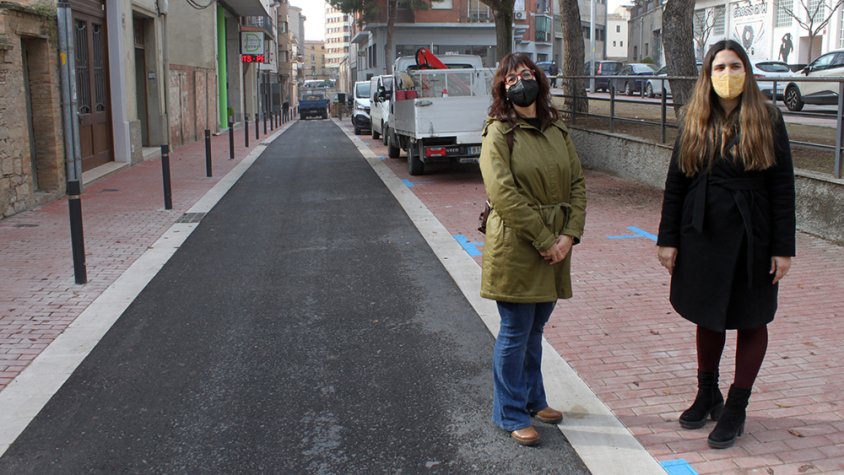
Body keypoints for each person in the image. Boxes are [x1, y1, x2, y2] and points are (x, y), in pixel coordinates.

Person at [657, 40, 796, 450]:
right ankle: (707, 392)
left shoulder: (767, 118)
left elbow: (783, 187)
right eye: (719, 67)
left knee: (752, 317)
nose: (728, 74)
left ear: (747, 71)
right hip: (702, 233)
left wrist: (783, 248)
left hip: (755, 233)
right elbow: (676, 181)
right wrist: (668, 239)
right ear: (707, 74)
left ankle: (736, 405)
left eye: (735, 66)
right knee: (708, 314)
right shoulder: (694, 117)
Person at [479, 53, 587, 446]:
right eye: (510, 79)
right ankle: (508, 411)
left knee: (535, 329)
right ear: (502, 91)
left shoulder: (557, 131)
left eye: (525, 74)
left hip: (556, 246)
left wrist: (569, 236)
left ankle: (533, 398)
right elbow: (502, 194)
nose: (519, 81)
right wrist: (546, 240)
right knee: (514, 330)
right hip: (518, 246)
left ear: (539, 81)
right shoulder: (498, 133)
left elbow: (577, 184)